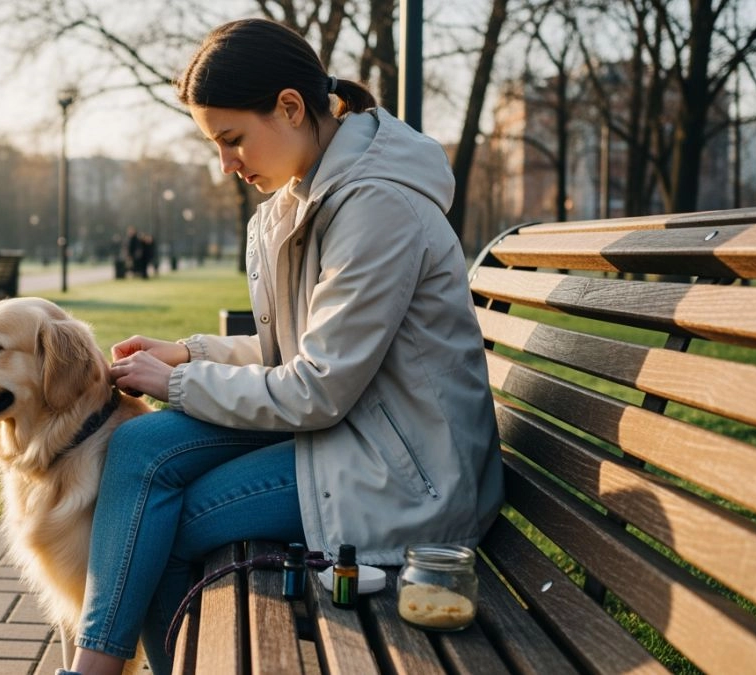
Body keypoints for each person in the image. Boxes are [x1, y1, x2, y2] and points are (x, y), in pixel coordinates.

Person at [62, 18, 504, 675]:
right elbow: (292, 357)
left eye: (232, 139)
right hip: (353, 431)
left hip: (404, 476)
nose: (226, 164)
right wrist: (187, 354)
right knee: (139, 446)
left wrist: (176, 384)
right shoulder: (304, 193)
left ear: (290, 108)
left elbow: (315, 388)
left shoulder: (374, 206)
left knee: (167, 526)